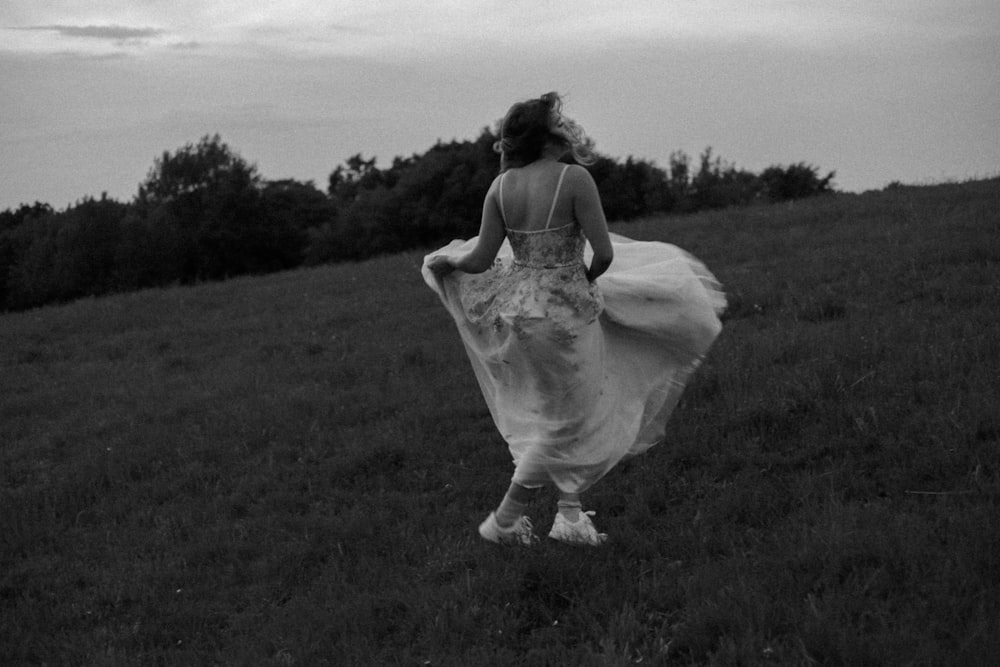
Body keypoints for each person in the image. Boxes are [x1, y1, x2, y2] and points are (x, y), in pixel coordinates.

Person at [423, 92, 725, 547]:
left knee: (563, 408)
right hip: (565, 313)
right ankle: (504, 519)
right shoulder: (574, 179)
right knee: (567, 420)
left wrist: (448, 264)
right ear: (549, 135)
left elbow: (482, 257)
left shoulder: (501, 187)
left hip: (520, 312)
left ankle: (570, 515)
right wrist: (579, 280)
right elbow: (602, 253)